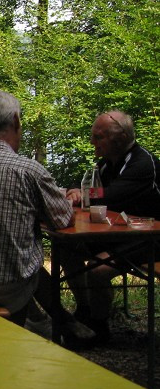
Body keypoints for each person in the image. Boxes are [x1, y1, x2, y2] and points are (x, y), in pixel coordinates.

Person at [0, 90, 92, 340]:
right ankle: (65, 325)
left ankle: (65, 324)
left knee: (20, 258)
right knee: (28, 264)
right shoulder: (29, 170)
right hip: (7, 290)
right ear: (16, 121)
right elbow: (64, 219)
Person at [57, 110, 160, 341]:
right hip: (123, 235)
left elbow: (113, 195)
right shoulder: (107, 163)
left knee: (97, 269)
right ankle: (85, 311)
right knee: (66, 248)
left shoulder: (143, 163)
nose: (92, 142)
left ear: (120, 138)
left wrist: (81, 194)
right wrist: (77, 190)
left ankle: (99, 327)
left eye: (98, 136)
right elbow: (88, 184)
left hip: (150, 239)